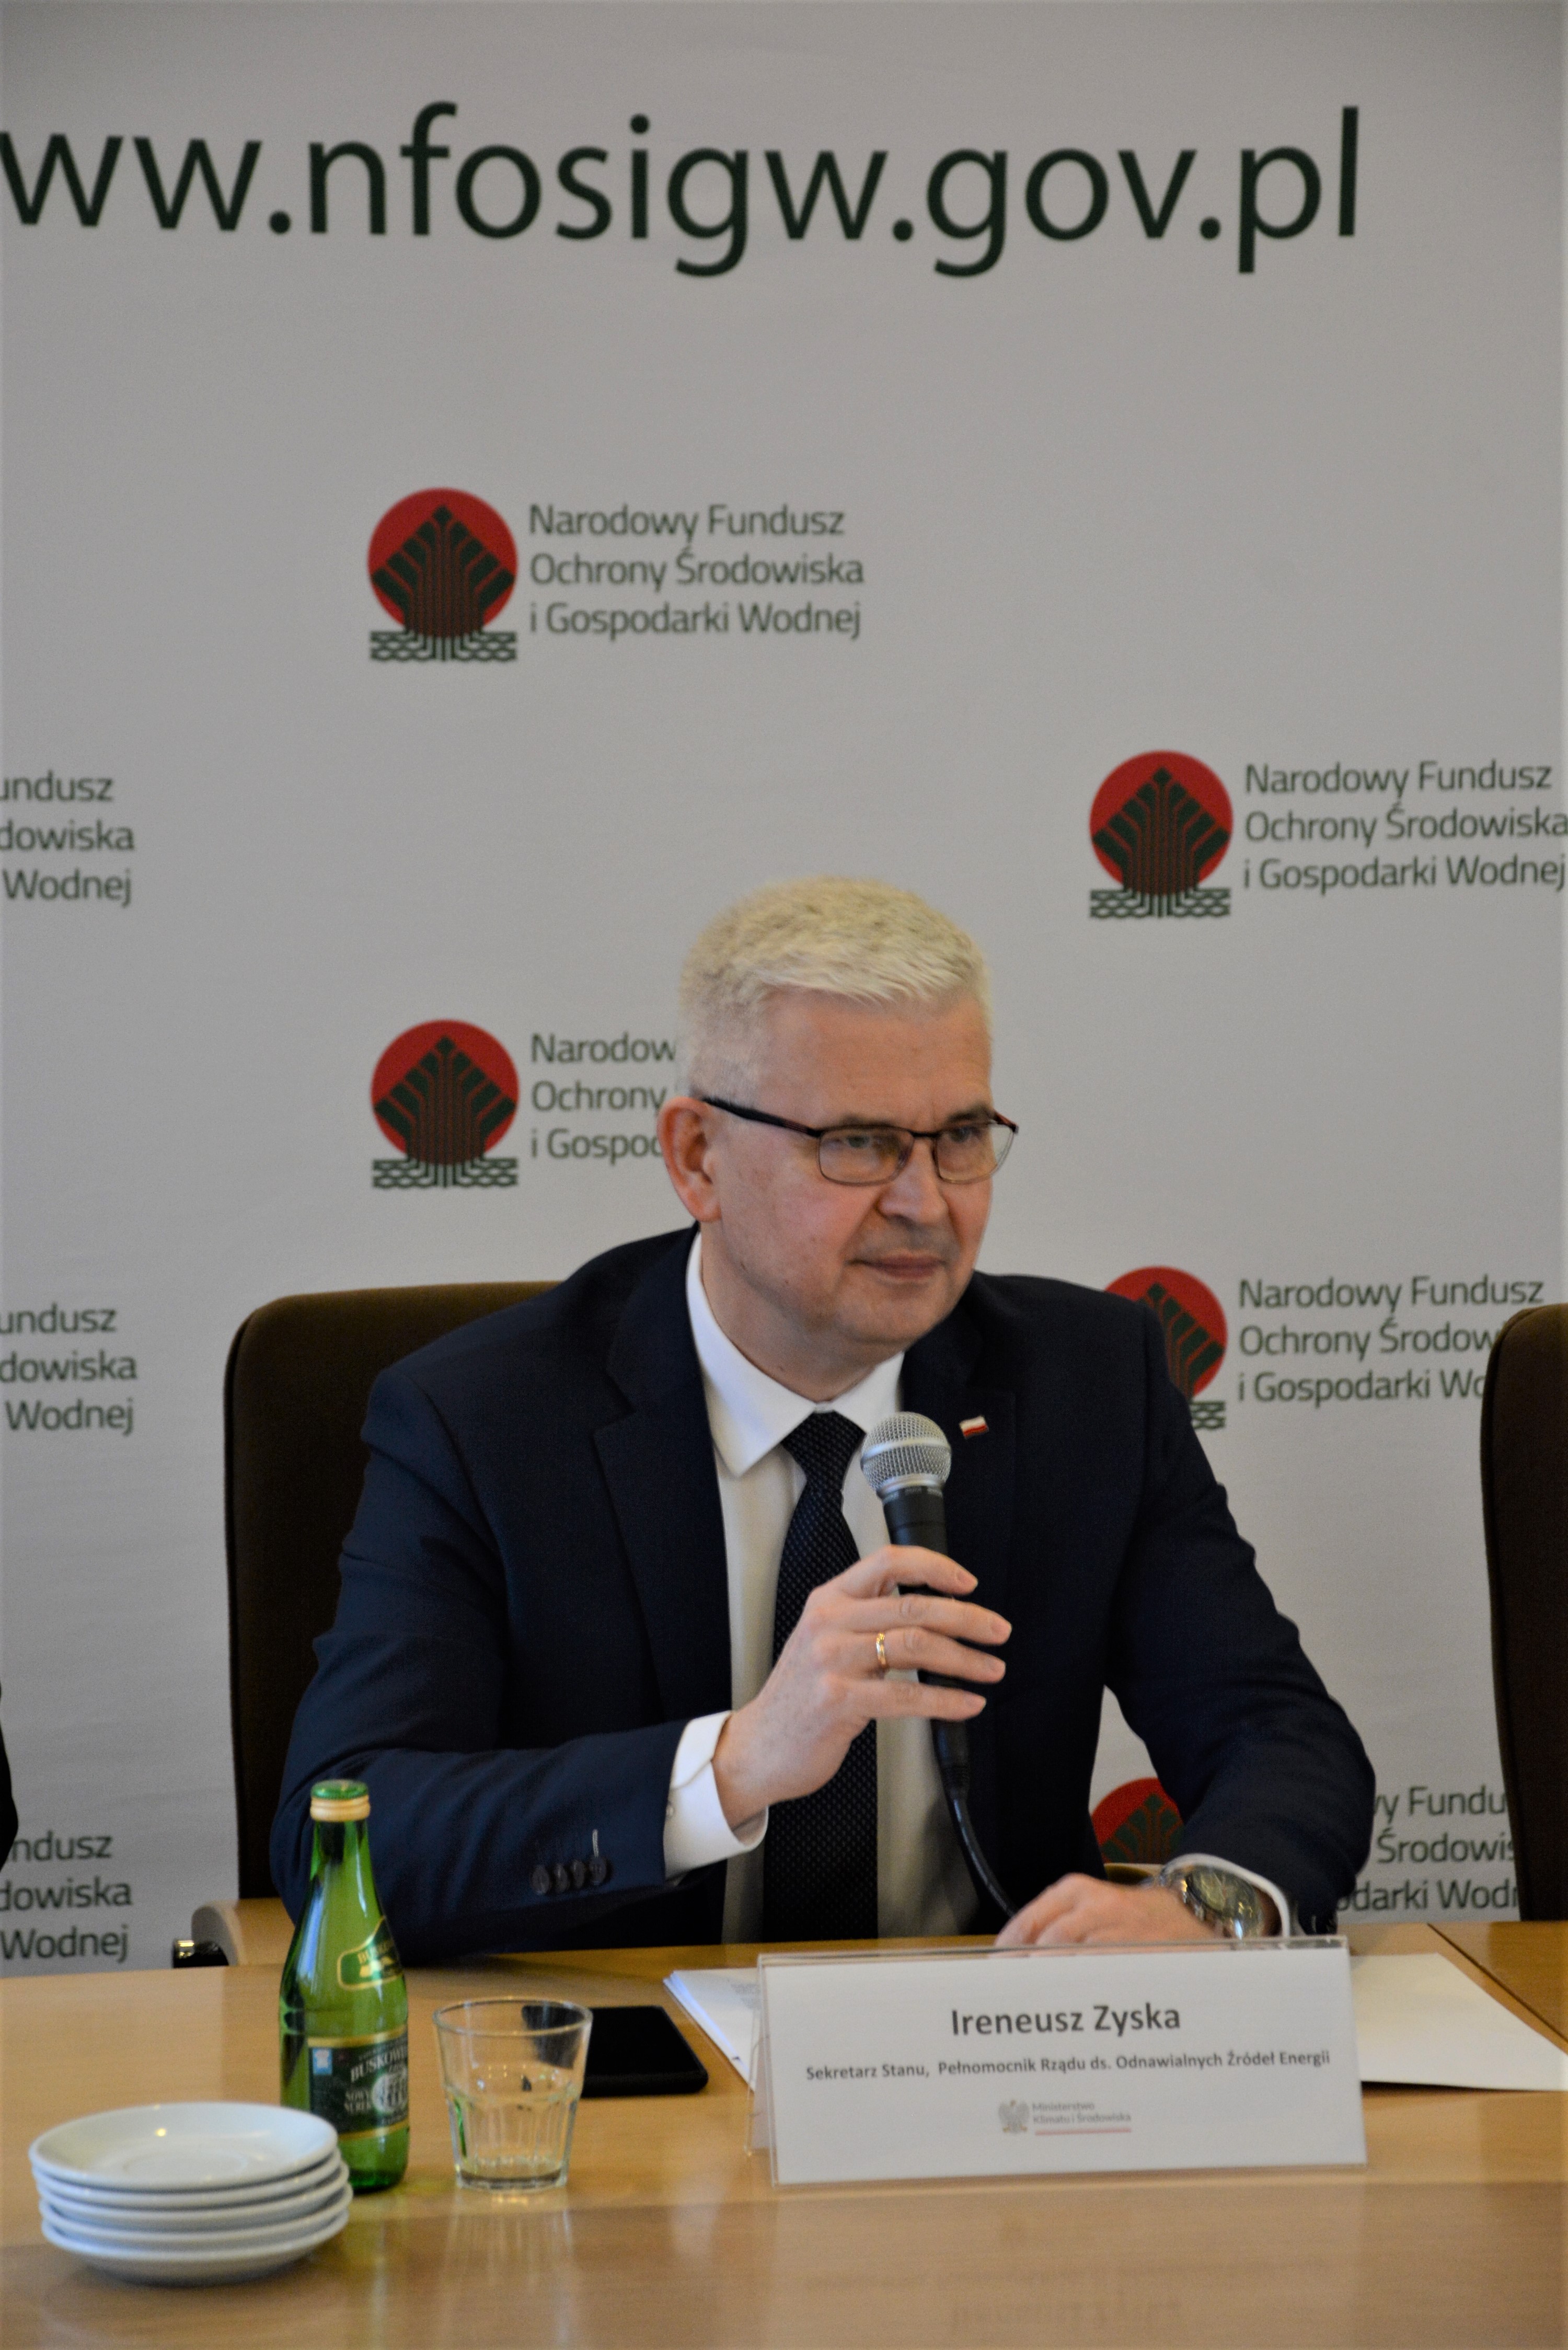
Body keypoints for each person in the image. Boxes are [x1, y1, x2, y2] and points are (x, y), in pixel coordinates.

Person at [273, 878, 1373, 1960]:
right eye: (857, 1142)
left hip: (993, 2039)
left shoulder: (1088, 1384)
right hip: (630, 2048)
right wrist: (736, 1764)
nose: (924, 1202)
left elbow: (1280, 1735)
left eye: (960, 1136)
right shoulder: (481, 1420)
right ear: (698, 1157)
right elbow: (351, 1830)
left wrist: (1206, 1907)